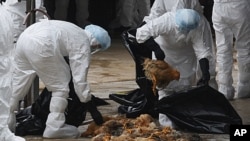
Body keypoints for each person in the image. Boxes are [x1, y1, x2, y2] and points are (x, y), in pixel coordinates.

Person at [8, 21, 111, 138]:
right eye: (97, 48)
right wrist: (91, 107)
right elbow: (79, 80)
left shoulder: (74, 29)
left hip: (24, 38)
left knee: (18, 83)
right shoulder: (83, 42)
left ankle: (6, 122)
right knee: (61, 87)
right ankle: (54, 127)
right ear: (95, 43)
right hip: (43, 43)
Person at [135, 9, 216, 128]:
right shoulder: (166, 20)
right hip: (165, 55)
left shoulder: (195, 25)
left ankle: (181, 121)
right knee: (165, 89)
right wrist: (156, 49)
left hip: (185, 58)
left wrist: (205, 72)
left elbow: (201, 50)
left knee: (184, 88)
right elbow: (141, 33)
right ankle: (166, 124)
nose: (185, 32)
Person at [0, 0, 45, 140]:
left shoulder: (3, 13)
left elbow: (39, 10)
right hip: (16, 31)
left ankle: (3, 130)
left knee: (7, 86)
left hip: (14, 41)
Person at [212, 0, 250, 100]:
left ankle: (225, 89)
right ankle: (245, 87)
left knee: (222, 50)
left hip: (219, 7)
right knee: (244, 48)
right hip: (240, 6)